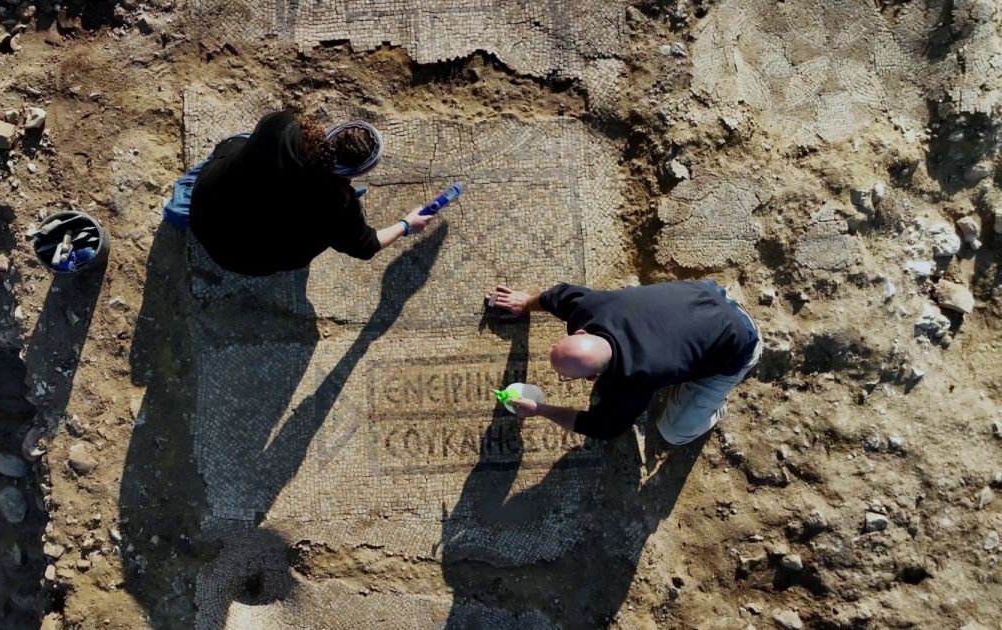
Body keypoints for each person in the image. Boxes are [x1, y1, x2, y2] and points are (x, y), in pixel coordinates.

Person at [162, 109, 436, 276]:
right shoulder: (339, 206)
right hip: (242, 260)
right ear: (355, 173)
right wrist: (406, 225)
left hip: (204, 212)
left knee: (243, 142)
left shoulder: (279, 127)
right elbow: (367, 246)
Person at [487, 280, 762, 445]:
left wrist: (540, 409)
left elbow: (603, 428)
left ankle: (713, 405)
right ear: (581, 332)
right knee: (628, 296)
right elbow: (557, 295)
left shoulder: (633, 380)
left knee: (672, 432)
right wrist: (525, 303)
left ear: (592, 377)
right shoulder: (591, 307)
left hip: (741, 342)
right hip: (706, 294)